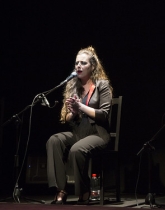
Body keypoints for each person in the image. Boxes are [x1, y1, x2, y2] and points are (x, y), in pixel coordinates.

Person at [46, 46, 113, 205]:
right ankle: (60, 190)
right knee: (54, 140)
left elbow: (104, 114)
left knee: (77, 150)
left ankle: (84, 191)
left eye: (83, 63)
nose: (78, 66)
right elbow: (68, 118)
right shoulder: (72, 85)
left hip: (98, 134)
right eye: (77, 63)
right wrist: (74, 112)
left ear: (93, 66)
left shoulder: (102, 85)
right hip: (78, 132)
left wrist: (81, 107)